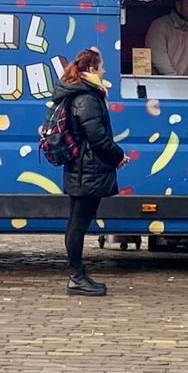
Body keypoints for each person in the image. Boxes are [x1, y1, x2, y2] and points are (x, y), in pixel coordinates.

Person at [52, 48, 130, 296]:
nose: (105, 70)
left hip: (81, 169)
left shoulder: (81, 94)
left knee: (76, 222)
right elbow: (97, 138)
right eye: (102, 66)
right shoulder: (87, 98)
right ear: (92, 69)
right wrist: (118, 156)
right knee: (78, 224)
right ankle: (76, 277)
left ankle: (78, 275)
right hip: (87, 170)